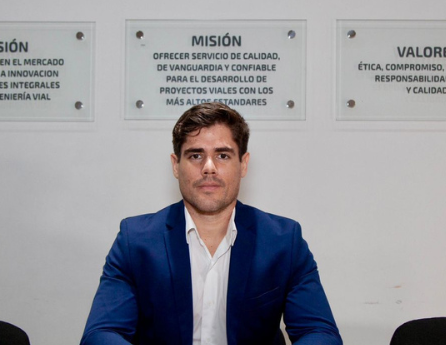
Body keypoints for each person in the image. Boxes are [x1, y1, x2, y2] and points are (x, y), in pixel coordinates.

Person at [80, 102, 341, 345]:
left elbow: (320, 332)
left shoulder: (283, 241)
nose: (209, 167)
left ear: (243, 165)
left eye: (223, 156)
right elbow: (101, 333)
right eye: (195, 155)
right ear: (175, 165)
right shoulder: (135, 241)